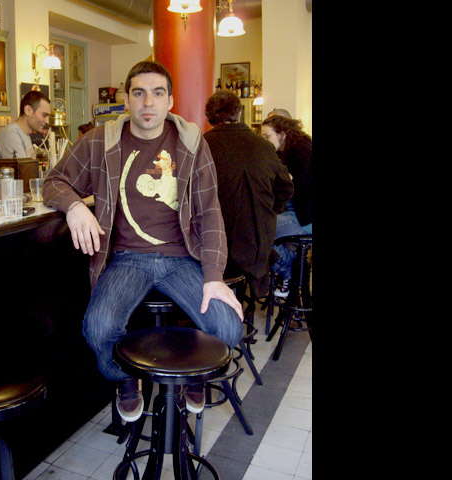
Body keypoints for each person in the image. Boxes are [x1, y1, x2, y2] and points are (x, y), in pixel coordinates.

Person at [43, 61, 244, 423]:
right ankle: (125, 379)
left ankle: (194, 375)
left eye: (157, 93)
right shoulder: (100, 141)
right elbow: (53, 181)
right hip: (126, 258)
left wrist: (214, 276)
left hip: (182, 258)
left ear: (170, 101)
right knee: (98, 328)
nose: (148, 102)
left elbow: (210, 213)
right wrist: (74, 206)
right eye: (139, 93)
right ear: (126, 100)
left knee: (228, 327)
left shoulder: (191, 142)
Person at [203, 91, 294, 299]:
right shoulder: (263, 146)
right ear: (239, 113)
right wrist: (267, 210)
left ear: (210, 117)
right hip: (257, 243)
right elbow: (286, 188)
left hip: (216, 243)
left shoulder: (203, 145)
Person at [261, 115, 312, 297]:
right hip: (299, 213)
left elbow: (297, 184)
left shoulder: (299, 150)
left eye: (267, 136)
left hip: (305, 217)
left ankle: (288, 274)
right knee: (261, 230)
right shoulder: (293, 148)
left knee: (258, 231)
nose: (265, 141)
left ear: (282, 134)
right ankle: (293, 272)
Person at [0, 90, 51, 161]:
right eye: (44, 115)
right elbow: (23, 167)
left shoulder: (25, 135)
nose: (47, 121)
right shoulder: (11, 135)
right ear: (28, 110)